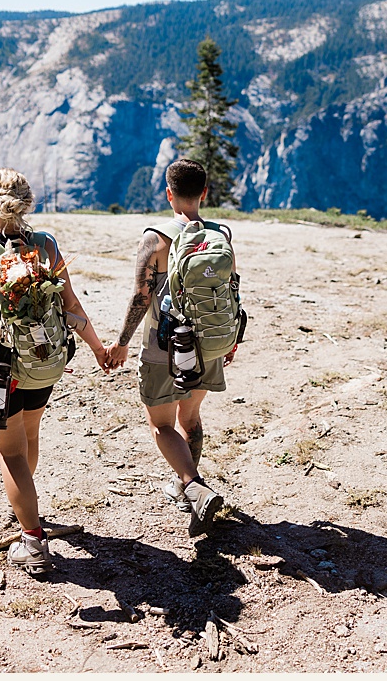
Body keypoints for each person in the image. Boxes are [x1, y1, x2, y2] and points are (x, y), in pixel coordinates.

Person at [0, 169, 112, 575]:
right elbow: (72, 307)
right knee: (29, 435)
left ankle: (33, 540)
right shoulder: (47, 245)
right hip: (45, 362)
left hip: (0, 369)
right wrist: (97, 348)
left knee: (10, 452)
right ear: (27, 202)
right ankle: (26, 504)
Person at [106, 158, 241, 534]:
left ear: (169, 193)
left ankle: (192, 485)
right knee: (190, 418)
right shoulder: (219, 236)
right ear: (204, 193)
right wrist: (230, 341)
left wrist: (120, 343)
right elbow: (230, 293)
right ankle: (186, 489)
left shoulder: (156, 238)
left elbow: (140, 296)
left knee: (161, 425)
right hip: (208, 343)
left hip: (165, 347)